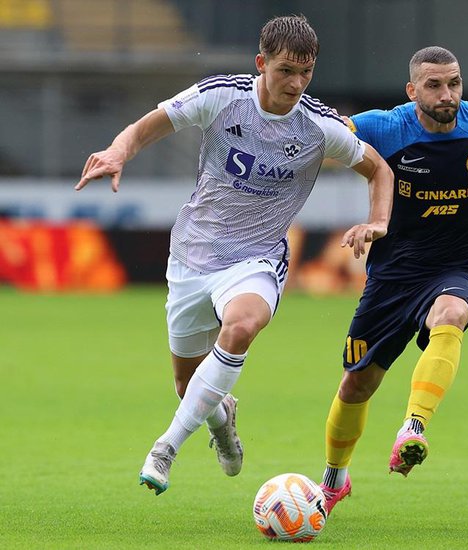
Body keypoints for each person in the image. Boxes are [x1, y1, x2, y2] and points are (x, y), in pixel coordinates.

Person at [75, 15, 393, 496]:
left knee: (242, 325)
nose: (297, 83)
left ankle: (166, 447)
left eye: (306, 72)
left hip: (257, 259)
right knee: (189, 386)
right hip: (191, 255)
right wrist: (119, 151)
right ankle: (222, 420)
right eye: (286, 70)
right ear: (261, 63)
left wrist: (378, 221)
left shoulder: (320, 126)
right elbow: (145, 128)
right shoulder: (222, 96)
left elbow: (379, 170)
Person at [318, 46, 468, 513]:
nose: (447, 94)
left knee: (450, 313)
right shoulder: (386, 127)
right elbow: (329, 131)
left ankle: (413, 427)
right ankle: (334, 480)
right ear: (412, 91)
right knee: (356, 385)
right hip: (393, 277)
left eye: (454, 83)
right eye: (434, 85)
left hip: (459, 267)